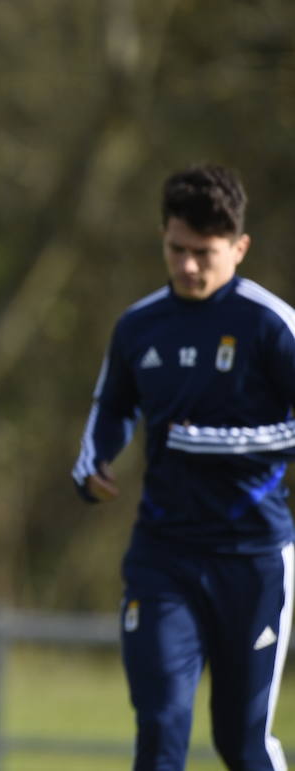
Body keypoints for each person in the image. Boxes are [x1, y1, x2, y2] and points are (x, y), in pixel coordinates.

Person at [72, 165, 295, 769]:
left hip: (253, 559)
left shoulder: (271, 325)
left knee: (240, 742)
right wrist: (92, 462)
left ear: (239, 248)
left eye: (205, 253)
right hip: (164, 555)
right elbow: (112, 406)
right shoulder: (139, 325)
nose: (189, 266)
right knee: (162, 724)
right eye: (177, 250)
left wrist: (220, 443)